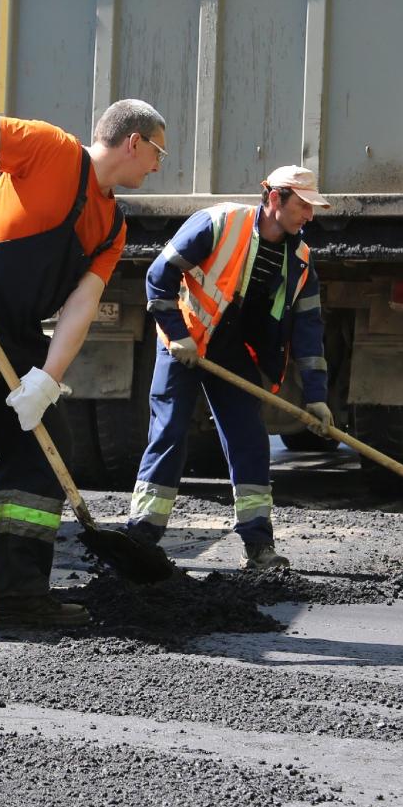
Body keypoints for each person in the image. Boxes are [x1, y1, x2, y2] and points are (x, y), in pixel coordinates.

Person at [0, 100, 166, 641]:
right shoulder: (50, 147)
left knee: (43, 451)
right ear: (133, 142)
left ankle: (20, 596)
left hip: (19, 332)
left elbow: (81, 305)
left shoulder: (112, 225)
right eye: (158, 152)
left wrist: (47, 377)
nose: (159, 165)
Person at [123, 166, 331, 571]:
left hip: (233, 349)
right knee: (169, 432)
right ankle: (141, 537)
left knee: (249, 438)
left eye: (312, 208)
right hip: (186, 339)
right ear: (275, 198)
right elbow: (158, 275)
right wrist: (177, 335)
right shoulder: (218, 223)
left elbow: (309, 332)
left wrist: (317, 397)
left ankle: (259, 545)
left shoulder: (301, 260)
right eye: (304, 206)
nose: (309, 216)